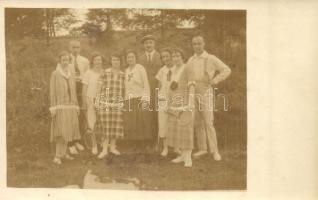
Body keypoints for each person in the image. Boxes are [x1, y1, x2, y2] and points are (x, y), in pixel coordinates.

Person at [187, 35, 231, 160]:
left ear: (204, 44)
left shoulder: (210, 58)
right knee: (197, 122)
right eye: (194, 44)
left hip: (206, 92)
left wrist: (215, 80)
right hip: (193, 92)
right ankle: (202, 149)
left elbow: (226, 70)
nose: (197, 46)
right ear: (192, 45)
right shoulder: (191, 60)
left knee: (208, 121)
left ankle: (214, 151)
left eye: (199, 43)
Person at [50, 51, 81, 164]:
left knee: (69, 131)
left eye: (67, 60)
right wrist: (53, 107)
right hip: (60, 106)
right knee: (61, 132)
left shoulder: (71, 74)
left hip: (71, 106)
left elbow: (73, 91)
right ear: (60, 61)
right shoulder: (55, 74)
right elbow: (52, 92)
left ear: (69, 61)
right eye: (63, 59)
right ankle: (57, 156)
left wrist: (76, 105)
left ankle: (64, 154)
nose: (65, 62)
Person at [166, 48, 196, 167]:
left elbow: (192, 85)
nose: (176, 58)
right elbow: (171, 87)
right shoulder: (172, 70)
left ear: (182, 57)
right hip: (174, 102)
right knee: (177, 130)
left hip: (185, 101)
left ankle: (188, 158)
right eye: (174, 56)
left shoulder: (187, 67)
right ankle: (182, 156)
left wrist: (191, 102)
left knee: (185, 129)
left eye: (178, 56)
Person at [94, 53, 125, 159]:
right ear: (111, 61)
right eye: (113, 60)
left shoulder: (123, 74)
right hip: (105, 102)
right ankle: (104, 150)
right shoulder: (105, 73)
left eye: (117, 60)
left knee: (115, 125)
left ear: (121, 61)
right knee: (106, 125)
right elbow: (98, 88)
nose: (115, 62)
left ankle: (112, 147)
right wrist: (97, 101)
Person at [124, 50, 152, 159]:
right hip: (130, 99)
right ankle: (134, 145)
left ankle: (143, 147)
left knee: (141, 122)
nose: (130, 59)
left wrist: (146, 99)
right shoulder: (126, 70)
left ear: (135, 58)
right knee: (132, 123)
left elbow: (145, 84)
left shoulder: (140, 68)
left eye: (132, 57)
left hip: (140, 97)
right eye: (128, 58)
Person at [138, 35, 163, 151]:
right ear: (143, 45)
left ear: (154, 44)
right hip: (145, 91)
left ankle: (159, 141)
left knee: (158, 115)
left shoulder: (161, 56)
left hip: (158, 90)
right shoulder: (140, 58)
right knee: (146, 116)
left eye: (151, 42)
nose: (148, 45)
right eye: (146, 43)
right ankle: (148, 141)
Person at [68, 40, 89, 154]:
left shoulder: (85, 61)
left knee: (80, 114)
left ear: (80, 48)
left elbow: (87, 76)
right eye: (73, 47)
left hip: (81, 87)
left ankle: (78, 140)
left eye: (77, 47)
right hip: (70, 87)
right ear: (70, 48)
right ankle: (70, 142)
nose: (75, 50)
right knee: (71, 113)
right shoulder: (66, 59)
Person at [82, 52, 104, 155]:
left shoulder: (104, 73)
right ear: (92, 61)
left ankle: (103, 143)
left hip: (102, 100)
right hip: (90, 99)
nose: (98, 62)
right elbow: (84, 89)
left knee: (102, 123)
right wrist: (85, 102)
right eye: (96, 60)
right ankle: (94, 145)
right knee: (92, 123)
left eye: (99, 60)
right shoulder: (88, 73)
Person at [155, 48, 176, 157]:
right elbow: (158, 86)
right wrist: (158, 99)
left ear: (172, 56)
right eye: (163, 57)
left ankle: (177, 148)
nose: (165, 59)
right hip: (163, 99)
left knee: (175, 122)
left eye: (167, 56)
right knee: (163, 123)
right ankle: (165, 147)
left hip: (175, 99)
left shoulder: (178, 69)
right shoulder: (162, 70)